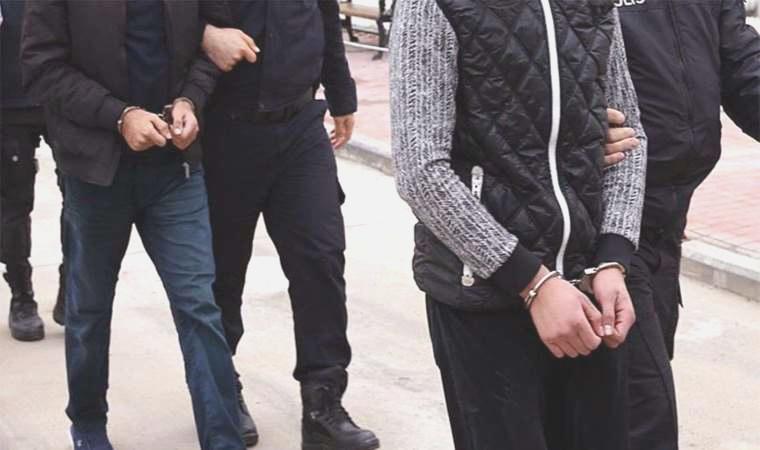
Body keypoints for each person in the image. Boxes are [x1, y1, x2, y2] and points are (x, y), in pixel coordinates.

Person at [391, 0, 647, 448]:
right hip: (486, 298)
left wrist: (612, 258)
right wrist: (533, 282)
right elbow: (421, 170)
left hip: (587, 293)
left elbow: (630, 136)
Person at [21, 1, 245, 449]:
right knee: (89, 310)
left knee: (199, 306)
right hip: (95, 173)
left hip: (174, 170)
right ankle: (88, 424)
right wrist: (120, 117)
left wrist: (190, 100)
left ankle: (223, 439)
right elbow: (42, 67)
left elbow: (210, 43)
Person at [197, 2, 379, 449]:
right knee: (222, 272)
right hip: (224, 130)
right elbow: (157, 15)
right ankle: (221, 391)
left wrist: (342, 95)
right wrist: (205, 36)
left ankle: (322, 404)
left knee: (321, 259)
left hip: (300, 127)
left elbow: (324, 15)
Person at [602, 1, 760, 448]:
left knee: (627, 408)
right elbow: (529, 62)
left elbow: (742, 66)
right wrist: (571, 127)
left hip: (665, 226)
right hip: (603, 226)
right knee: (642, 416)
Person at [0, 0, 66, 342]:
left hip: (64, 95)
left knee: (83, 196)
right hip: (7, 104)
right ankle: (21, 296)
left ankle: (74, 284)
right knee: (13, 206)